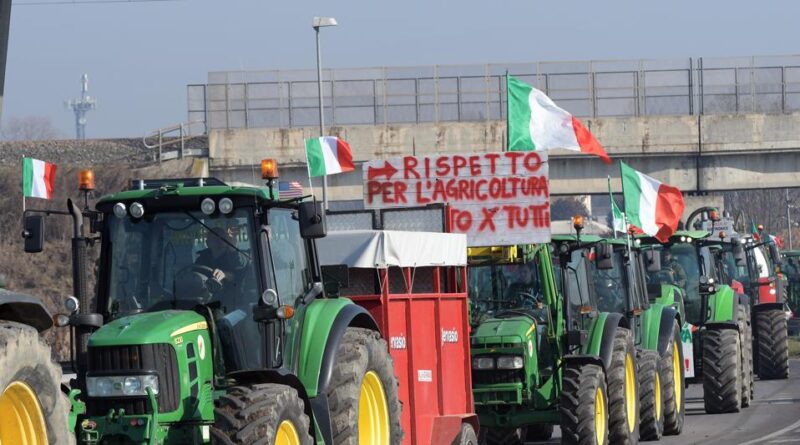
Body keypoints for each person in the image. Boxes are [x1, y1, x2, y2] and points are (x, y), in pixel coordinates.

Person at [195, 222, 247, 295]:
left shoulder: (235, 256)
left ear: (226, 241)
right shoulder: (201, 259)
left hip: (230, 300)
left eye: (222, 238)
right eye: (215, 238)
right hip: (205, 298)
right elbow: (195, 276)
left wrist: (224, 274)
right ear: (207, 243)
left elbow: (238, 273)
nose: (219, 241)